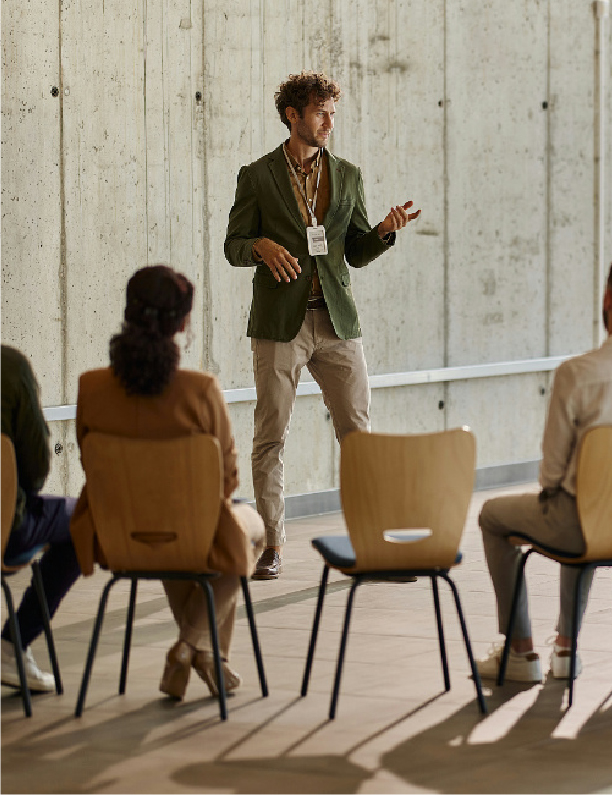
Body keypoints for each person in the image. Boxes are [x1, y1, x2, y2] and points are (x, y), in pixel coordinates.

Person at [224, 70, 421, 579]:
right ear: (293, 115)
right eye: (320, 113)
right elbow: (232, 246)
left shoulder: (349, 175)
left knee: (359, 434)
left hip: (337, 321)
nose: (330, 123)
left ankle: (372, 541)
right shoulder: (257, 175)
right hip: (280, 325)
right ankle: (270, 546)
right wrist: (259, 246)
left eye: (333, 113)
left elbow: (354, 251)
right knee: (271, 436)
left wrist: (383, 231)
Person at [70, 265, 265, 700]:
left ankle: (206, 658)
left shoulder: (91, 388)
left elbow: (90, 463)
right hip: (189, 532)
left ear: (128, 313)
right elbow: (228, 481)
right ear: (182, 322)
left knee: (186, 537)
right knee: (246, 532)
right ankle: (192, 645)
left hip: (117, 535)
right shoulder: (201, 390)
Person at [477, 254, 612, 682]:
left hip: (581, 525)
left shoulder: (577, 373)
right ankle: (566, 648)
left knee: (498, 514)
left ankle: (521, 653)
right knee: (586, 504)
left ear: (608, 299)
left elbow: (551, 476)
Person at [1, 345, 81, 691]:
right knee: (83, 520)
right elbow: (35, 469)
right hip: (5, 530)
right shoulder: (8, 367)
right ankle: (12, 646)